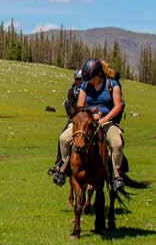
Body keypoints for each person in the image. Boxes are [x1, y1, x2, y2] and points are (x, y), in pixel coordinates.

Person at [52, 58, 126, 191]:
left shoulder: (112, 84)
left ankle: (116, 176)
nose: (89, 81)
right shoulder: (86, 86)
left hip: (106, 121)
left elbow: (118, 106)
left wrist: (105, 118)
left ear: (99, 74)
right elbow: (80, 105)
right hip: (86, 120)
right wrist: (90, 116)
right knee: (63, 138)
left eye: (91, 78)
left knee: (117, 143)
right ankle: (63, 168)